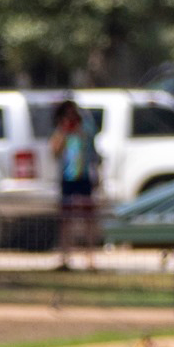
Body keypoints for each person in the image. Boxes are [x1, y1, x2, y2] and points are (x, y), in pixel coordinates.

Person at [50, 100, 102, 270]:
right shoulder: (61, 131)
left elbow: (93, 152)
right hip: (68, 178)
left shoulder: (85, 129)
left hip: (84, 176)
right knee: (65, 220)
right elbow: (55, 152)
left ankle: (90, 259)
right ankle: (65, 258)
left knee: (88, 219)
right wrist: (64, 131)